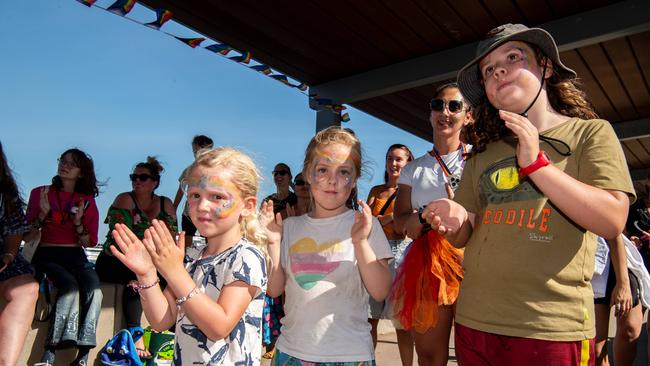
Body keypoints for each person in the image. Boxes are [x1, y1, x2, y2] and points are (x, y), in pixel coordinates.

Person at [421, 23, 635, 365]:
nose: (498, 70)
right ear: (487, 92)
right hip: (474, 322)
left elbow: (612, 220)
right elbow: (465, 235)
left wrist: (537, 164)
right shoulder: (483, 152)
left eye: (513, 57)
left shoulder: (590, 134)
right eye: (488, 70)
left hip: (549, 328)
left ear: (546, 67)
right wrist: (454, 220)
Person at [109, 147, 268, 365]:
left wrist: (174, 272)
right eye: (195, 195)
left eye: (217, 196)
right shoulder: (191, 256)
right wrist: (147, 274)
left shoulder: (247, 256)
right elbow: (161, 321)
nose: (202, 206)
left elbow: (218, 326)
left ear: (248, 206)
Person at [263, 126, 393, 365]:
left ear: (354, 180)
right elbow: (274, 289)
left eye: (344, 171)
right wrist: (273, 242)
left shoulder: (366, 224)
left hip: (350, 355)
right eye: (322, 170)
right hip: (292, 351)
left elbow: (380, 290)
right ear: (308, 174)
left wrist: (360, 242)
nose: (332, 180)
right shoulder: (290, 227)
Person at [391, 83, 473, 366]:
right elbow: (400, 220)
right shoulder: (413, 169)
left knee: (473, 353)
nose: (445, 112)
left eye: (454, 106)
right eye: (438, 105)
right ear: (430, 114)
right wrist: (426, 214)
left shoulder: (479, 158)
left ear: (468, 115)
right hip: (428, 264)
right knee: (428, 354)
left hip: (474, 259)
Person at [94, 156, 177, 360]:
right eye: (134, 177)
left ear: (154, 182)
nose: (136, 180)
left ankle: (172, 335)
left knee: (174, 282)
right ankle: (136, 334)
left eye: (143, 177)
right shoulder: (124, 199)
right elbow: (121, 237)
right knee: (137, 281)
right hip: (117, 259)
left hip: (151, 260)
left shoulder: (166, 204)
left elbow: (170, 238)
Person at [27, 148, 102, 366]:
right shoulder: (39, 193)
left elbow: (89, 242)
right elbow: (27, 235)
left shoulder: (86, 200)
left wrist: (78, 222)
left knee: (94, 289)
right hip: (46, 252)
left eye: (72, 163)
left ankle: (83, 355)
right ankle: (49, 354)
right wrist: (41, 215)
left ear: (81, 172)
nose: (65, 165)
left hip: (75, 254)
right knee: (69, 287)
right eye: (63, 161)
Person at [366, 143, 414, 365]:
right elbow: (365, 223)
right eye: (389, 158)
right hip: (375, 251)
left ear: (407, 163)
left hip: (400, 251)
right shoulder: (376, 191)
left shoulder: (411, 192)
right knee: (370, 318)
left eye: (398, 159)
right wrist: (389, 219)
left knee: (401, 321)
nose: (393, 163)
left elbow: (404, 225)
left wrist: (379, 221)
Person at [0, 142, 39, 366]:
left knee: (27, 288)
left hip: (2, 257)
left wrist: (8, 255)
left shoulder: (5, 191)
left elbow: (14, 229)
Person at [260, 162, 296, 359]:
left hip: (290, 249)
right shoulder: (267, 200)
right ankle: (272, 342)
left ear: (289, 177)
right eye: (276, 173)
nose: (279, 176)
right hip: (272, 249)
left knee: (287, 297)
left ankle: (286, 337)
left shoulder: (296, 198)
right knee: (272, 298)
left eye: (283, 172)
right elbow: (260, 224)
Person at [592, 235, 643, 366]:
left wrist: (623, 283)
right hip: (595, 263)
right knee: (597, 350)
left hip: (623, 259)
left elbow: (614, 231)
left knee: (630, 330)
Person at [173, 135, 214, 246]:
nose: (197, 154)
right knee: (186, 239)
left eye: (199, 151)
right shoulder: (190, 169)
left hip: (209, 209)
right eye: (194, 152)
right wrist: (174, 208)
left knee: (209, 237)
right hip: (189, 211)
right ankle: (186, 261)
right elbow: (181, 189)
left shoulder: (216, 170)